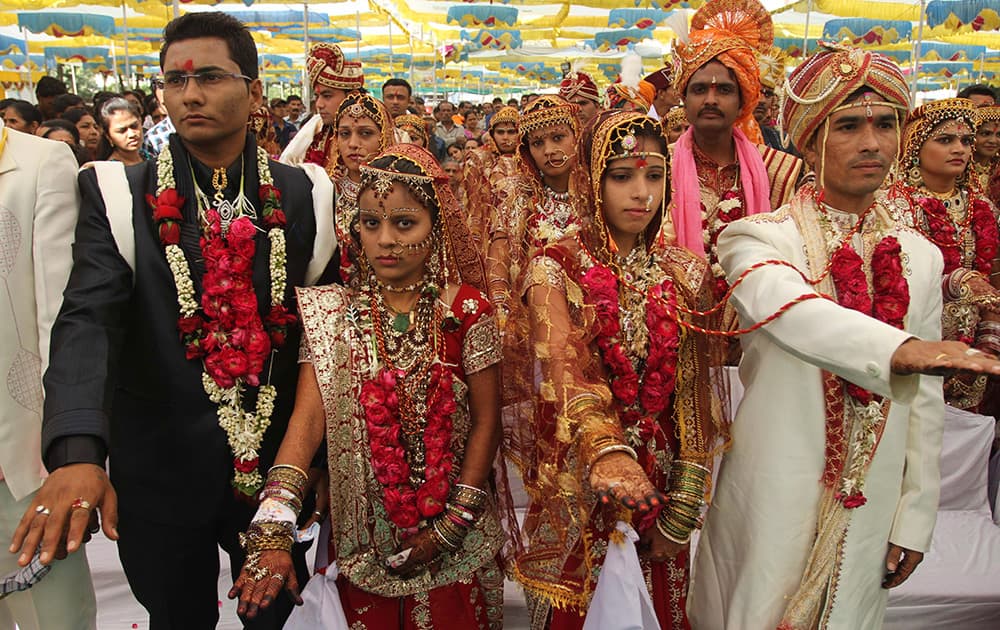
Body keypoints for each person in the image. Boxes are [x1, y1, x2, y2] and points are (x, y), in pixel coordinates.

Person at [9, 12, 336, 629]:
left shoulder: (306, 196)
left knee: (277, 621)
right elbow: (87, 321)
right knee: (177, 617)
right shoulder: (116, 193)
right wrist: (78, 450)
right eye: (173, 82)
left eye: (210, 77)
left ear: (254, 89)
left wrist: (316, 459)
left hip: (276, 475)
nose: (189, 94)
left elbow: (323, 342)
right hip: (158, 469)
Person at [687, 43, 1000, 629]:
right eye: (849, 125)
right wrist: (899, 350)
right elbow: (788, 307)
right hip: (773, 482)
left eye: (885, 125)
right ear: (809, 140)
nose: (872, 143)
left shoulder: (919, 257)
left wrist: (914, 518)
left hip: (872, 494)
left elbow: (926, 405)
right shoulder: (755, 237)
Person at [230, 144, 508, 628]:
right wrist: (274, 521)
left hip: (458, 537)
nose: (385, 240)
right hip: (364, 541)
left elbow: (487, 422)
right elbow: (307, 420)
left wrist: (452, 525)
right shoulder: (330, 313)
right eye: (370, 223)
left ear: (435, 226)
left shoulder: (465, 311)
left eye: (404, 223)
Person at [510, 110, 724, 629]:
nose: (642, 193)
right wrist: (606, 451)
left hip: (661, 484)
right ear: (591, 180)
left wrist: (685, 500)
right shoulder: (555, 267)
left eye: (654, 176)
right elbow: (565, 371)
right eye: (622, 176)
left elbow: (695, 395)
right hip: (581, 479)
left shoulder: (683, 271)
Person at [0, 118, 98, 630]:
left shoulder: (38, 163)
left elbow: (58, 325)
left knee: (52, 618)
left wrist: (63, 454)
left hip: (16, 464)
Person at [670, 0, 802, 304]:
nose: (711, 100)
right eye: (700, 89)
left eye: (724, 90)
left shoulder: (778, 171)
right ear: (684, 99)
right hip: (676, 324)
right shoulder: (657, 168)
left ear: (744, 100)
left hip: (754, 320)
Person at [894, 98, 1000, 411]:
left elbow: (993, 280)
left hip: (975, 347)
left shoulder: (983, 208)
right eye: (945, 140)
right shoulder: (895, 207)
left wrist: (989, 340)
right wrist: (956, 281)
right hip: (914, 341)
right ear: (915, 146)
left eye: (966, 141)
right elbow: (898, 280)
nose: (961, 149)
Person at [486, 95, 583, 324]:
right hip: (533, 322)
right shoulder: (515, 194)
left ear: (576, 137)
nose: (549, 150)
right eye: (538, 143)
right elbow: (498, 264)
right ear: (527, 150)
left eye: (558, 137)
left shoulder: (597, 193)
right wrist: (501, 312)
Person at [329, 91, 395, 284]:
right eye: (344, 134)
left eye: (365, 133)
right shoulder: (323, 192)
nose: (353, 144)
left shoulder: (403, 193)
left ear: (384, 137)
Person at [285, 42, 364, 177]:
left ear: (352, 96)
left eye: (327, 96)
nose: (319, 104)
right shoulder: (316, 126)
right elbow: (287, 164)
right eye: (317, 96)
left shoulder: (381, 130)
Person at [463, 106, 520, 255]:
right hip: (487, 225)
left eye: (511, 132)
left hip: (520, 226)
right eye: (500, 132)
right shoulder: (477, 158)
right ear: (492, 134)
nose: (505, 137)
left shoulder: (527, 159)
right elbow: (473, 202)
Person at [95, 97, 145, 165]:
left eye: (134, 126)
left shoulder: (149, 157)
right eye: (122, 131)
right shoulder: (110, 168)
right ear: (108, 136)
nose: (131, 134)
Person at [972, 105, 1000, 207]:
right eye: (985, 134)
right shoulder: (959, 172)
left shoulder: (997, 171)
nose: (993, 140)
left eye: (999, 135)